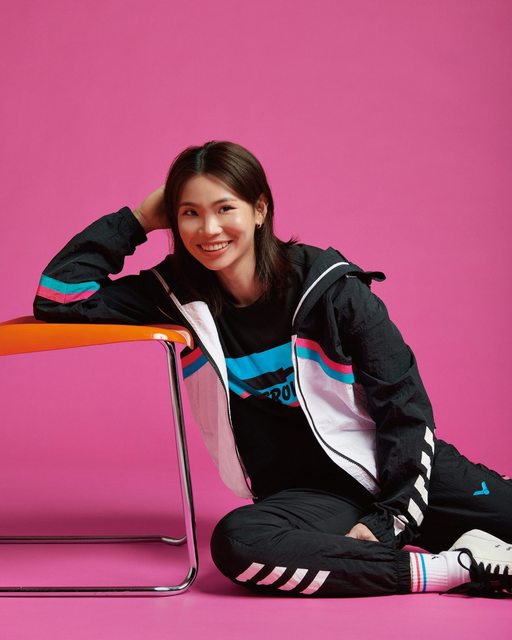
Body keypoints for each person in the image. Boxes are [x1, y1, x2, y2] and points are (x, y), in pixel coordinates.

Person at [33, 140, 512, 598]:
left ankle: (419, 547)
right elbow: (59, 298)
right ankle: (455, 569)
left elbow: (404, 410)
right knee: (239, 541)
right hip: (314, 498)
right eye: (189, 213)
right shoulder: (176, 295)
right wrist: (137, 219)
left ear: (259, 209)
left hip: (402, 476)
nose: (209, 229)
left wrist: (392, 520)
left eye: (225, 208)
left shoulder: (331, 289)